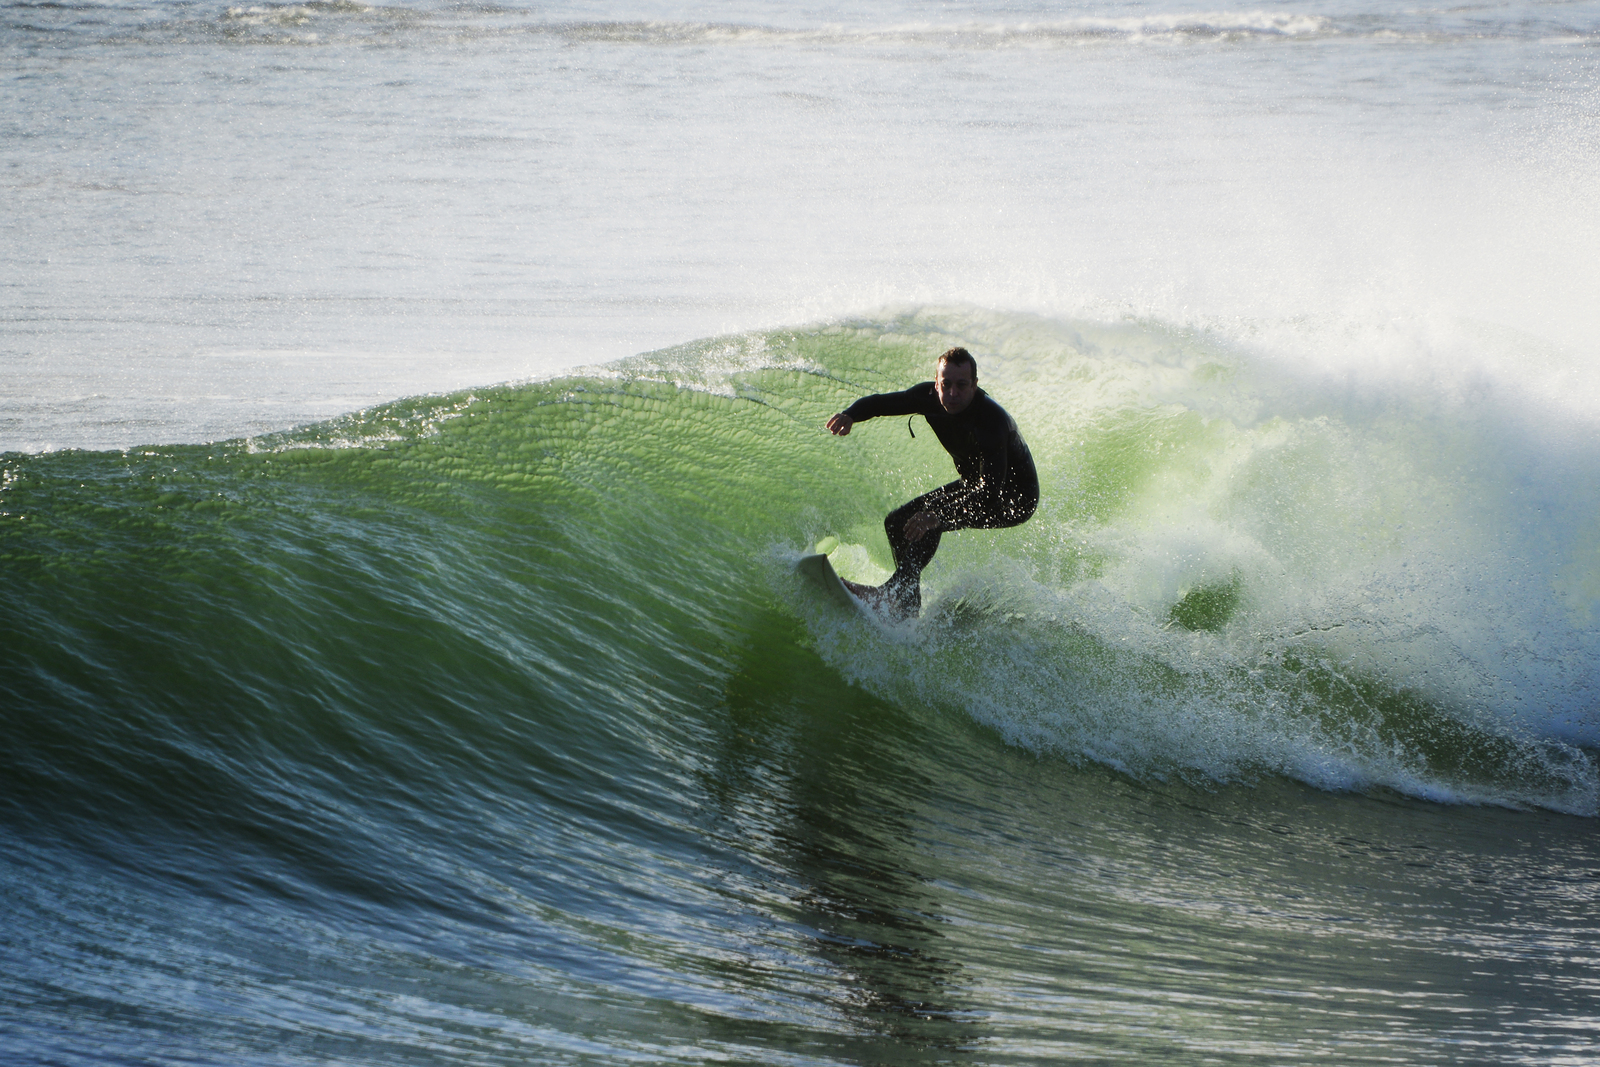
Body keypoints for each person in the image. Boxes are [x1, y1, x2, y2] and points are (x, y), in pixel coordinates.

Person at [825, 347, 1038, 619]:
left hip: (1012, 499)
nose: (952, 393)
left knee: (928, 522)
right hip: (976, 484)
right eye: (945, 384)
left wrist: (937, 515)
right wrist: (851, 414)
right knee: (897, 522)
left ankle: (892, 595)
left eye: (962, 385)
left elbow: (989, 494)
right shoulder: (929, 398)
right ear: (936, 383)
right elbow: (883, 403)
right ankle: (906, 604)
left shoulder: (991, 422)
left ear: (974, 386)